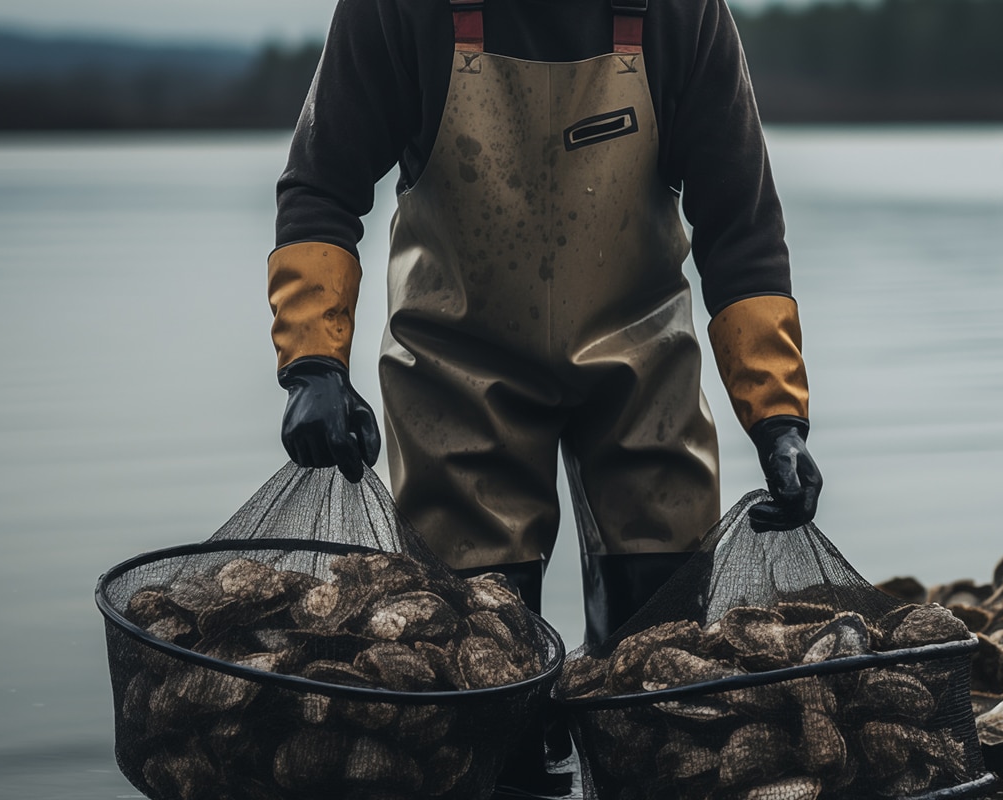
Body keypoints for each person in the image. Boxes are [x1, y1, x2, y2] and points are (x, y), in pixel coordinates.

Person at [267, 0, 820, 649]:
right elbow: (322, 185)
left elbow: (740, 223)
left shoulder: (683, 11)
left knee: (663, 648)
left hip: (645, 375)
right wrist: (314, 365)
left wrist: (777, 419)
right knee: (477, 651)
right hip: (454, 383)